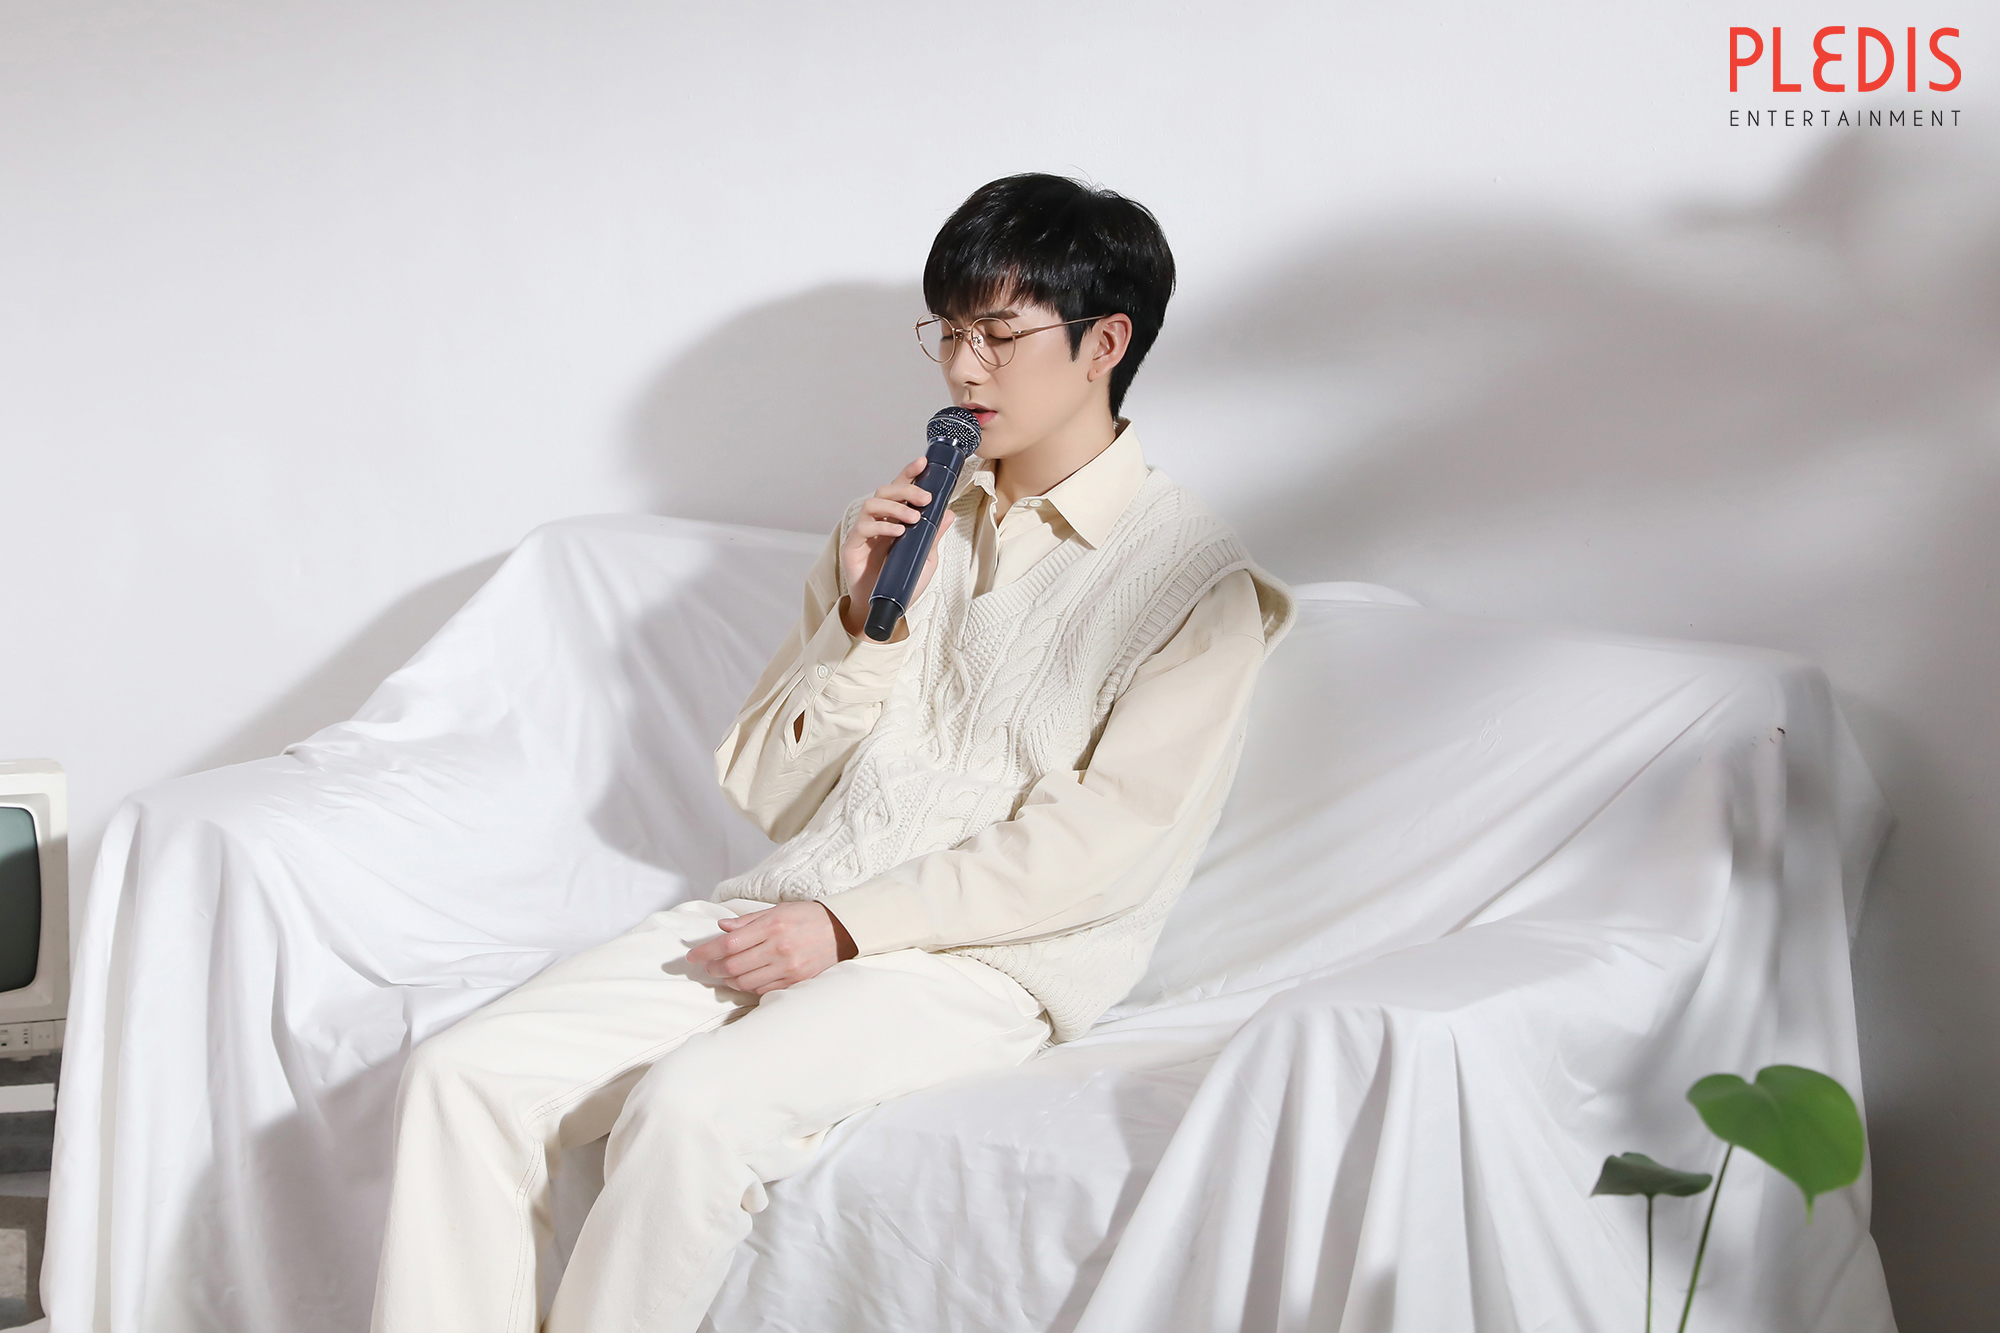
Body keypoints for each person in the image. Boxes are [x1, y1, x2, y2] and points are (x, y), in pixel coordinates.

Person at [368, 172, 1295, 1333]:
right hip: (791, 902)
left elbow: (1099, 850)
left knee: (692, 1108)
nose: (962, 370)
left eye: (998, 335)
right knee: (463, 1078)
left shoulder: (1195, 582)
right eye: (947, 333)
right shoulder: (904, 523)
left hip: (979, 963)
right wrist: (862, 621)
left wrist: (850, 926)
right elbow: (768, 790)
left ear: (1103, 342)